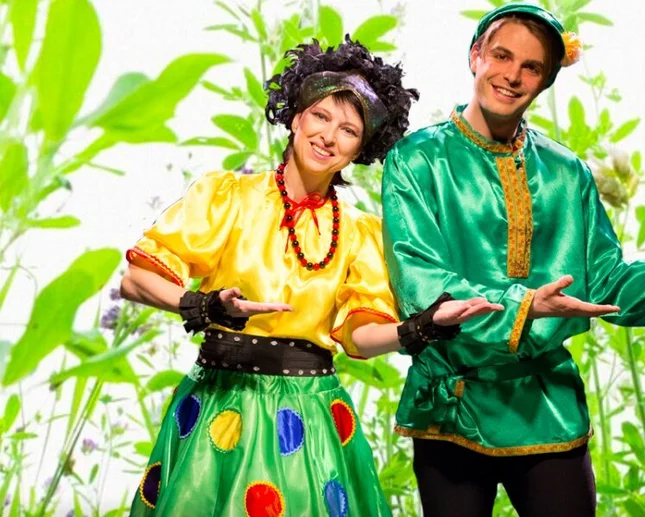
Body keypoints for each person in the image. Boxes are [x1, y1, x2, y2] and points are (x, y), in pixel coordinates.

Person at [380, 3, 645, 516]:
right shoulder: (415, 160)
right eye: (502, 56)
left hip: (547, 408)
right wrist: (526, 306)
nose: (512, 75)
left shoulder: (566, 171)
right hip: (451, 407)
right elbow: (421, 283)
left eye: (531, 67)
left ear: (546, 80)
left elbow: (606, 281)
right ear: (475, 56)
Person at [121, 38, 501, 516]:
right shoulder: (228, 197)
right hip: (220, 403)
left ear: (360, 148)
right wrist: (206, 305)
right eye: (320, 116)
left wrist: (423, 327)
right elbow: (136, 279)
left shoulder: (360, 232)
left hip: (309, 416)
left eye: (349, 130)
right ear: (296, 118)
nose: (329, 136)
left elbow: (360, 337)